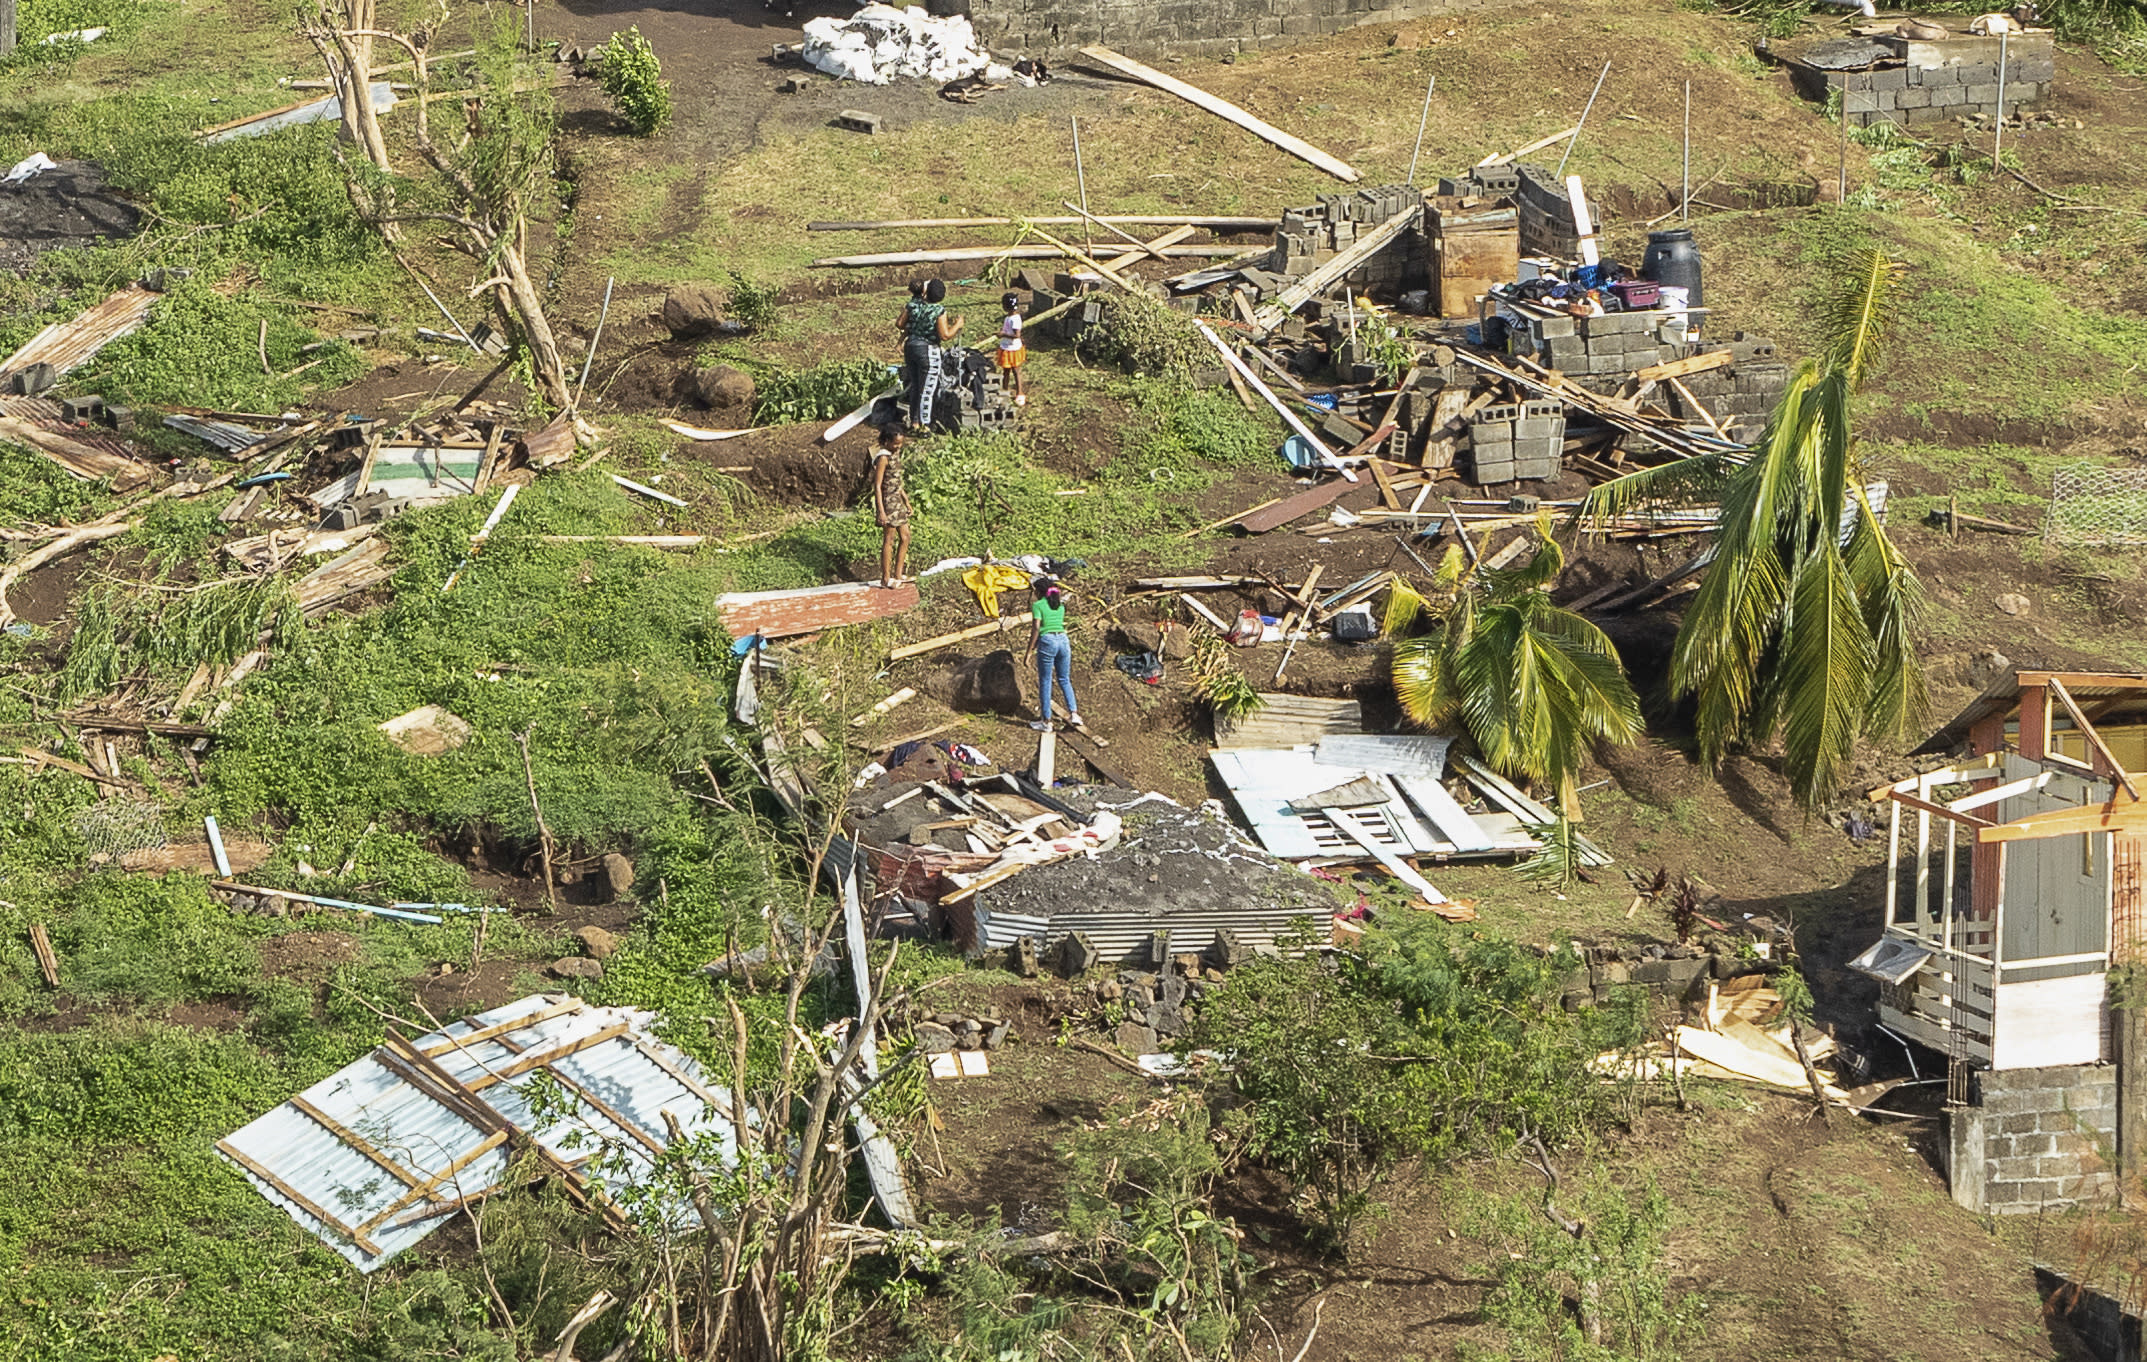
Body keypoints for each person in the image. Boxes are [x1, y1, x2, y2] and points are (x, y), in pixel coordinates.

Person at [895, 279, 962, 430]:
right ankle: (924, 426)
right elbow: (945, 335)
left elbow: (900, 324)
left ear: (926, 292)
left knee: (915, 386)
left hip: (911, 347)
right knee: (927, 390)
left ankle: (914, 423)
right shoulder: (939, 310)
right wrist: (957, 325)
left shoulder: (914, 305)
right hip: (927, 351)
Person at [1026, 577, 1082, 731]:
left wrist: (1029, 651)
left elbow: (1037, 628)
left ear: (1039, 591)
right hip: (1063, 640)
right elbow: (1052, 625)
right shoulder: (1059, 606)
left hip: (1048, 641)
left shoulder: (1037, 605)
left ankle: (1046, 721)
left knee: (1045, 680)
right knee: (1064, 678)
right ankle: (1074, 713)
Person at [870, 425, 912, 588]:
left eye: (900, 444)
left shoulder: (896, 454)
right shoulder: (883, 458)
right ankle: (886, 578)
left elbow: (897, 482)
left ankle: (898, 574)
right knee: (889, 539)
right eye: (895, 444)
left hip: (898, 501)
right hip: (888, 503)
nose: (898, 447)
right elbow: (878, 486)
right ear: (886, 442)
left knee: (906, 537)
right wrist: (881, 511)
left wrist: (906, 501)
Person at [996, 291, 1028, 407]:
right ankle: (1004, 390)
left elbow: (1017, 335)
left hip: (1013, 348)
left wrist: (1003, 335)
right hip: (1006, 347)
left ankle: (1020, 393)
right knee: (1006, 371)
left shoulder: (1015, 319)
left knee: (1016, 371)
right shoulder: (1009, 317)